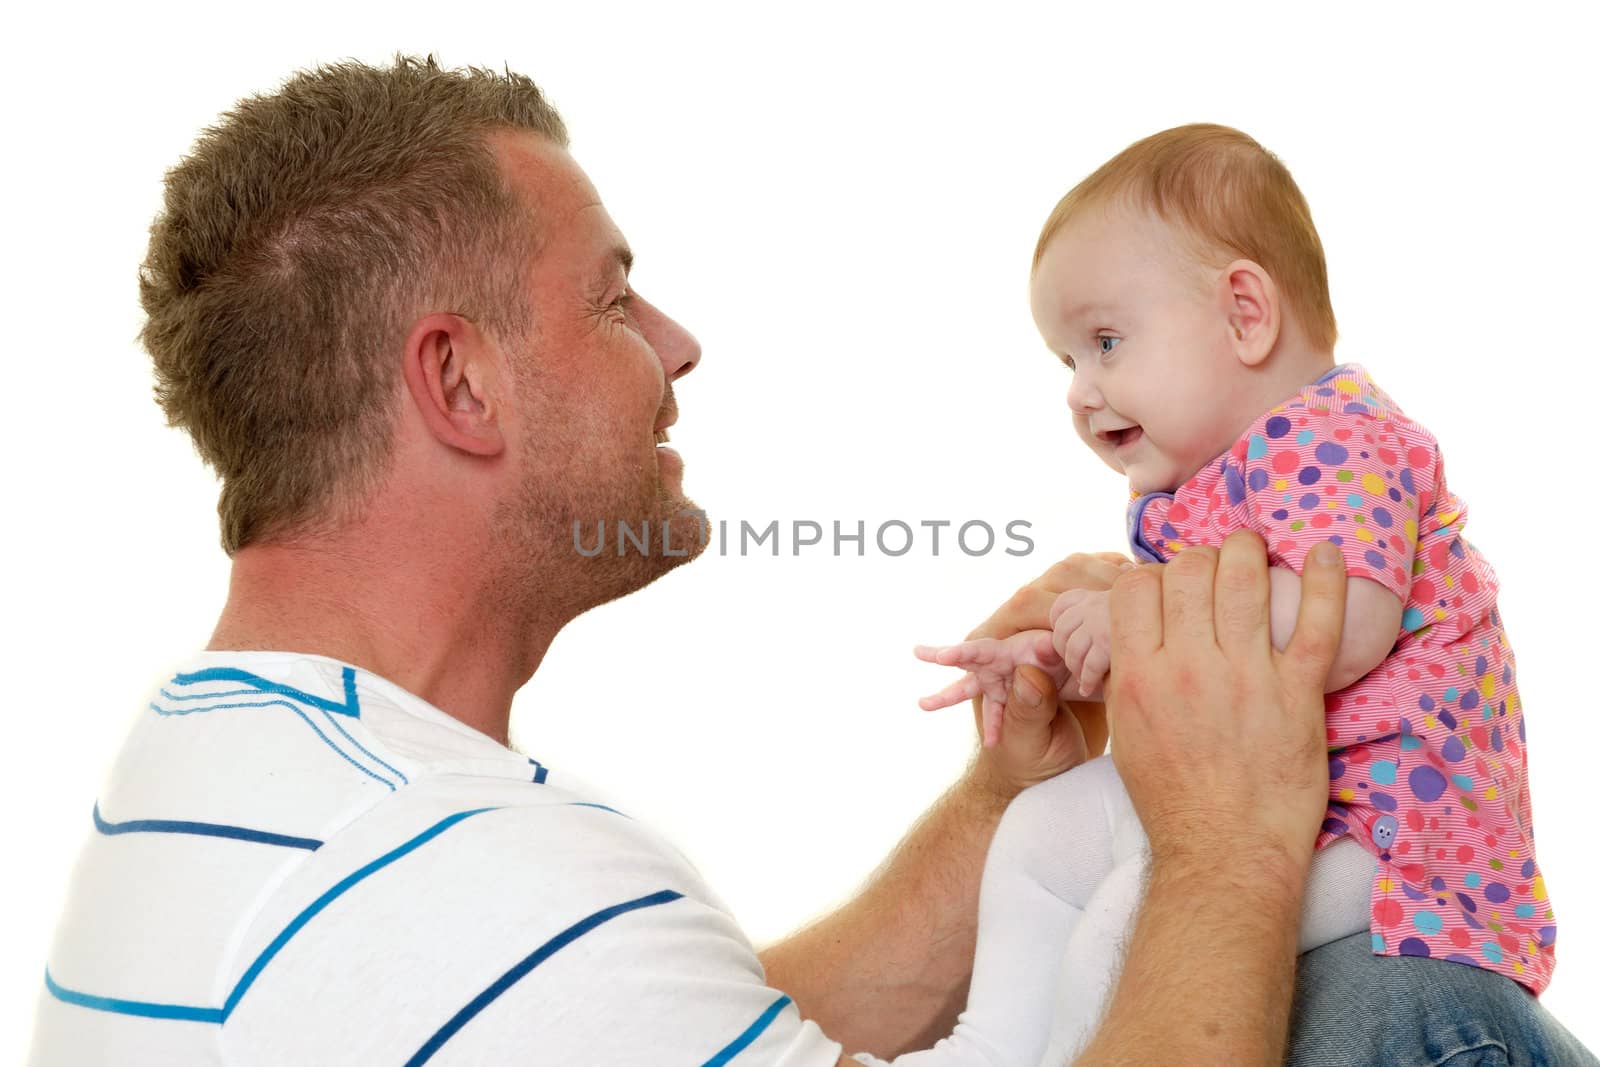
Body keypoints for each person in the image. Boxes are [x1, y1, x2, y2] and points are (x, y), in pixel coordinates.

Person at [23, 58, 1584, 1066]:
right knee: (1406, 1010)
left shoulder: (270, 779)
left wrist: (999, 801)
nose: (681, 345)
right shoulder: (445, 881)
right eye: (617, 298)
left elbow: (660, 1029)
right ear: (462, 384)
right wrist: (1230, 838)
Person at [909, 124, 1594, 1064]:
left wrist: (1135, 624)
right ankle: (986, 1053)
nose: (1080, 390)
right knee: (1040, 831)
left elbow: (1345, 623)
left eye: (1105, 341)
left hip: (1390, 832)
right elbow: (1209, 680)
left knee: (1133, 920)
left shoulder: (1341, 437)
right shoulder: (1204, 484)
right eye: (1068, 361)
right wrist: (1067, 658)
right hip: (1268, 795)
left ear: (1244, 313)